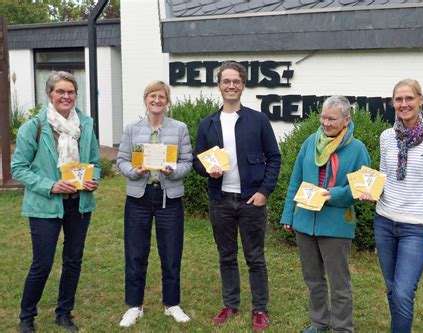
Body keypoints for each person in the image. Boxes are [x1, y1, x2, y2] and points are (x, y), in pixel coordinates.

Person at [193, 61, 281, 331]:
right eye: (226, 81)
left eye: (236, 81)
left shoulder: (258, 120)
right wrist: (210, 171)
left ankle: (260, 309)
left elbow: (274, 157)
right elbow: (198, 162)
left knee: (255, 257)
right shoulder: (207, 123)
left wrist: (264, 192)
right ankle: (230, 303)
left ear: (243, 85)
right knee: (226, 256)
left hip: (250, 199)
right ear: (219, 86)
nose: (231, 85)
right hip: (220, 200)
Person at [11, 71, 101, 333]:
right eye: (60, 91)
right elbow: (18, 168)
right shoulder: (34, 127)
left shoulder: (85, 125)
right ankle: (27, 317)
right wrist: (50, 185)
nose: (66, 96)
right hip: (45, 205)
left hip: (78, 203)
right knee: (42, 263)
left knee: (73, 260)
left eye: (71, 92)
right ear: (50, 95)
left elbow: (94, 162)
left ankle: (64, 313)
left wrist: (92, 178)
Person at [280, 95, 371, 333]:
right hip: (305, 222)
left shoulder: (357, 148)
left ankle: (342, 327)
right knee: (313, 279)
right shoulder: (311, 141)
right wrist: (288, 215)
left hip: (336, 225)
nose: (326, 123)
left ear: (346, 120)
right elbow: (296, 179)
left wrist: (333, 194)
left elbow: (364, 188)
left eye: (332, 119)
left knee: (339, 283)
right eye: (323, 117)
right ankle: (319, 322)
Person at [370, 79, 423, 332]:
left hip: (417, 228)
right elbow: (384, 175)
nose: (403, 104)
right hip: (384, 221)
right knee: (393, 289)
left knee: (403, 292)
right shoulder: (386, 137)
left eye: (409, 99)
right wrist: (369, 191)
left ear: (420, 100)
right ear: (393, 103)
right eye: (398, 99)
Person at [116, 80, 192, 327]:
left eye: (161, 96)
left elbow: (187, 162)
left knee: (171, 252)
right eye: (152, 96)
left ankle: (172, 304)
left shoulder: (179, 128)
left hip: (169, 198)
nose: (157, 101)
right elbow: (121, 161)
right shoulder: (131, 129)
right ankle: (134, 306)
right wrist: (134, 171)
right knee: (136, 252)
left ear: (167, 101)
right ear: (146, 99)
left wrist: (174, 170)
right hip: (139, 197)